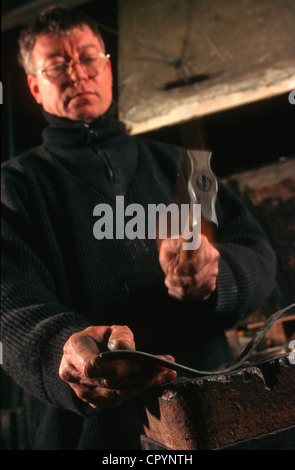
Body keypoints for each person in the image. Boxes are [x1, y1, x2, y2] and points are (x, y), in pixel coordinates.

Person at [1, 6, 276, 450]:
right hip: (92, 435)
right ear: (35, 85)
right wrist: (61, 347)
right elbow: (8, 301)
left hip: (214, 416)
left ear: (108, 69)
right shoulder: (13, 186)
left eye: (89, 58)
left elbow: (256, 251)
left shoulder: (185, 167)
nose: (77, 74)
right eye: (56, 66)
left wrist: (217, 276)